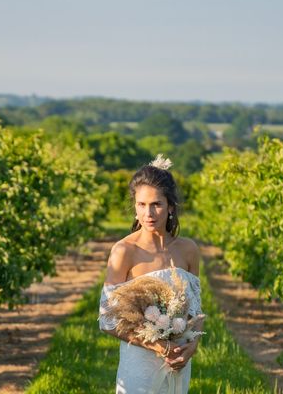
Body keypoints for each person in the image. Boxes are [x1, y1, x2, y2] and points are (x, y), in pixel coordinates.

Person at [98, 155, 204, 394]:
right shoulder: (124, 251)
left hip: (179, 360)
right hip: (140, 362)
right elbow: (107, 321)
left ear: (170, 207)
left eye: (156, 204)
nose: (149, 213)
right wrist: (157, 346)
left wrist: (193, 346)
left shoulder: (189, 250)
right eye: (141, 205)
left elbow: (196, 311)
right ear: (135, 207)